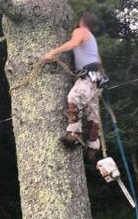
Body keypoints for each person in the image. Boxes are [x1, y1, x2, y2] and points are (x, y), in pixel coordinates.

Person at [44, 13, 106, 153]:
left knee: (74, 97)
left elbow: (74, 43)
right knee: (92, 111)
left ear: (81, 22)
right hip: (96, 78)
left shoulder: (81, 31)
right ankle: (93, 145)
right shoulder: (92, 39)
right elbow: (99, 60)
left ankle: (74, 134)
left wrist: (53, 52)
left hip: (88, 77)